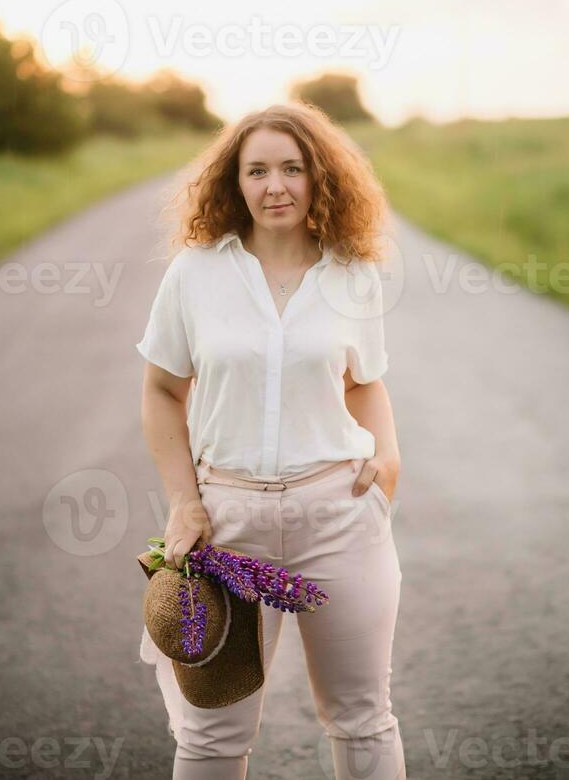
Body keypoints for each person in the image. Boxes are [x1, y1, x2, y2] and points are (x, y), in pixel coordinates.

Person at [136, 102, 406, 780]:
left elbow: (364, 383)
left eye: (292, 168)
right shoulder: (195, 273)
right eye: (257, 170)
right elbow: (162, 391)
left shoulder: (352, 274)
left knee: (362, 717)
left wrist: (388, 458)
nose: (275, 185)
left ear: (320, 177)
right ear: (236, 181)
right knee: (210, 733)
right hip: (226, 526)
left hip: (338, 515)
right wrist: (184, 502)